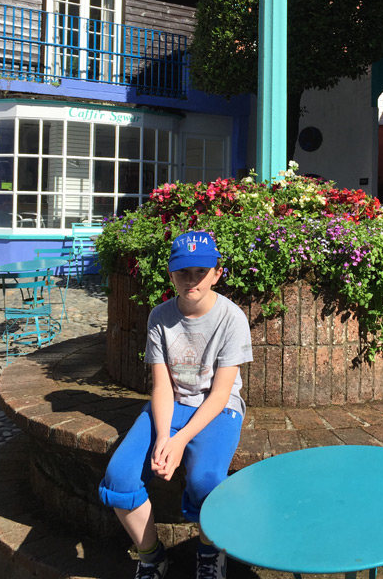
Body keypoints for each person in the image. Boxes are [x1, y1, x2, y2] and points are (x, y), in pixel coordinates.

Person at [99, 230, 253, 579]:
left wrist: (180, 440)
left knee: (207, 482)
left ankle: (210, 552)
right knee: (120, 477)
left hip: (218, 408)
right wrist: (162, 439)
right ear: (170, 273)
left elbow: (220, 392)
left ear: (217, 273)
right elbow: (162, 385)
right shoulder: (159, 316)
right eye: (183, 271)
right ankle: (151, 555)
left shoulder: (232, 318)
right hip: (170, 405)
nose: (191, 280)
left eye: (201, 271)